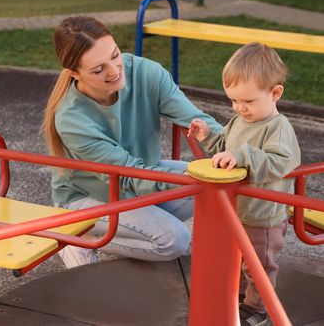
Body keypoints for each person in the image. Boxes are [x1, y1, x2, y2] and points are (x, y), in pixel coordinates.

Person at [42, 15, 222, 269]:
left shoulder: (146, 73)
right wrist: (184, 184)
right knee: (173, 239)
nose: (115, 71)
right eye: (98, 69)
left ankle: (132, 230)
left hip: (142, 178)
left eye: (115, 55)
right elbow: (129, 176)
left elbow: (198, 121)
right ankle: (80, 236)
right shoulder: (72, 118)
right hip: (91, 197)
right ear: (75, 74)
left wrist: (241, 153)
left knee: (215, 186)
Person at [188, 42, 301, 326]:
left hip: (264, 216)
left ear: (275, 93)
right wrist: (207, 136)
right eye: (234, 101)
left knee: (259, 265)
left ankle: (259, 308)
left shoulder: (278, 128)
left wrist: (240, 156)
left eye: (247, 101)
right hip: (239, 210)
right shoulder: (240, 120)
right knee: (236, 261)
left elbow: (279, 162)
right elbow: (226, 147)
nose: (239, 108)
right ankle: (238, 298)